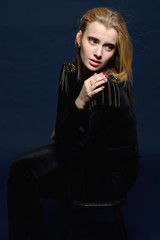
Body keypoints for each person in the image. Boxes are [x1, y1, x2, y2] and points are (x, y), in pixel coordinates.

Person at [7, 7, 139, 240]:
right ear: (79, 38)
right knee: (21, 169)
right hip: (84, 157)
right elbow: (62, 130)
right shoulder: (69, 72)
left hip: (110, 173)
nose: (98, 53)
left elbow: (86, 144)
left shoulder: (106, 86)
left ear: (115, 51)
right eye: (93, 40)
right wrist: (78, 105)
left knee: (24, 177)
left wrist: (74, 112)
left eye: (108, 46)